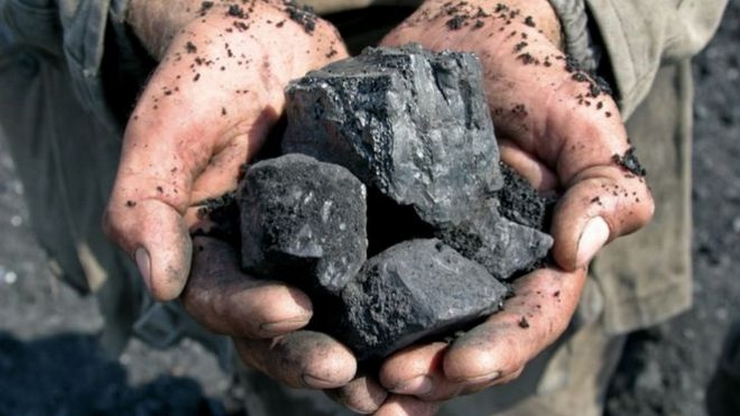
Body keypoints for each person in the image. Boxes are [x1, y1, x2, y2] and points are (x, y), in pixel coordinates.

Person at [0, 0, 727, 415]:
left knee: (520, 392)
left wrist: (568, 10)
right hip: (208, 83)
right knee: (286, 361)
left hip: (528, 62)